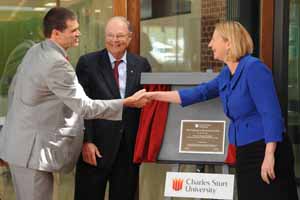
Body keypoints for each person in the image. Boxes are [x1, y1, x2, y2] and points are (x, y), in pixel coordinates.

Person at [0, 7, 147, 200]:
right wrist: (126, 103)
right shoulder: (56, 63)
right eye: (73, 30)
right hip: (31, 153)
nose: (79, 33)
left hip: (22, 147)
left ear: (129, 38)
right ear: (56, 33)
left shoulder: (36, 51)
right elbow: (85, 107)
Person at [144, 21, 298, 200]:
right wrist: (153, 96)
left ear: (229, 42)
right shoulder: (227, 73)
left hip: (266, 148)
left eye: (214, 39)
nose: (210, 44)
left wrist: (269, 154)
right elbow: (197, 93)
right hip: (245, 150)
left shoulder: (254, 68)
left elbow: (271, 113)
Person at [74, 16, 151, 200]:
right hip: (95, 148)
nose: (114, 40)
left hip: (128, 150)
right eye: (110, 35)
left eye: (120, 36)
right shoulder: (88, 63)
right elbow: (80, 106)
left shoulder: (141, 64)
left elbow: (146, 105)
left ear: (130, 37)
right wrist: (86, 141)